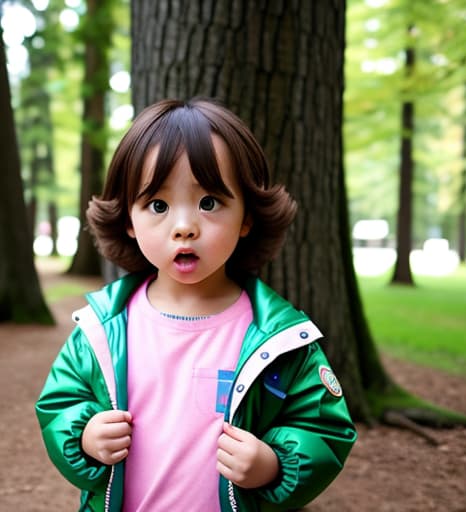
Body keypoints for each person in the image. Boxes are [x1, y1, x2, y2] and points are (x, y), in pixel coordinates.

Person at [35, 98, 357, 512]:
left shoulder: (280, 339)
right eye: (158, 205)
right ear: (130, 221)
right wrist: (83, 437)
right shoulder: (102, 328)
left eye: (209, 203)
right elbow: (59, 405)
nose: (184, 227)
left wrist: (273, 464)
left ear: (246, 217)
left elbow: (324, 428)